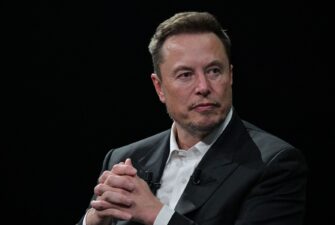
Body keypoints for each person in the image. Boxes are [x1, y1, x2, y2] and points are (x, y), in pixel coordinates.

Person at [76, 11, 307, 225]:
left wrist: (158, 215)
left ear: (231, 76)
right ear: (159, 88)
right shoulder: (126, 159)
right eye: (186, 74)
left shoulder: (274, 163)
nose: (203, 87)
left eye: (214, 71)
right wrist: (94, 219)